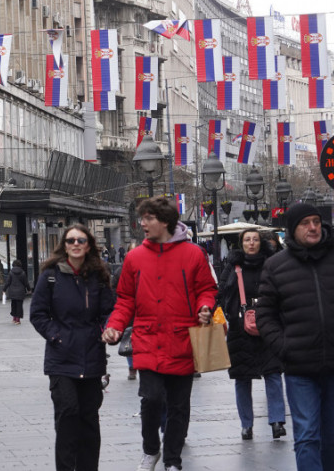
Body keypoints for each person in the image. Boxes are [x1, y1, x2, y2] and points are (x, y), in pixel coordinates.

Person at [256, 203, 334, 471]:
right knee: (307, 435)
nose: (313, 227)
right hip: (300, 369)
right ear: (292, 229)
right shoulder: (276, 266)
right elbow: (265, 315)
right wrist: (284, 348)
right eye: (305, 223)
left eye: (316, 221)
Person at [102, 196, 217, 471]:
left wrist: (205, 307)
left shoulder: (193, 254)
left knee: (179, 406)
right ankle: (151, 449)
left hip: (182, 339)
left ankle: (173, 461)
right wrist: (115, 325)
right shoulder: (134, 257)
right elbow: (125, 299)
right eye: (142, 218)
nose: (142, 223)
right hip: (148, 339)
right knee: (151, 398)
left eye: (148, 218)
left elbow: (207, 289)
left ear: (164, 221)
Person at [31, 224, 114, 471]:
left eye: (80, 240)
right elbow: (37, 314)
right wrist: (56, 336)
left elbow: (109, 311)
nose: (75, 244)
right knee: (68, 414)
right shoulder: (51, 275)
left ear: (88, 245)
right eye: (70, 241)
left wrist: (108, 330)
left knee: (89, 419)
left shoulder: (99, 276)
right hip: (61, 358)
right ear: (64, 246)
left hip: (92, 356)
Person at [216, 229, 286, 441]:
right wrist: (230, 314)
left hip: (269, 327)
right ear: (242, 243)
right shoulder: (233, 265)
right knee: (242, 377)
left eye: (255, 239)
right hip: (240, 329)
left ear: (260, 242)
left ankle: (276, 421)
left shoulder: (272, 263)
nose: (252, 243)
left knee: (273, 374)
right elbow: (222, 292)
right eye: (247, 240)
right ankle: (246, 425)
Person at [4, 259, 31, 325]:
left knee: (13, 305)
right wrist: (29, 289)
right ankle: (18, 320)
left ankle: (14, 318)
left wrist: (4, 289)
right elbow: (26, 283)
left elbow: (8, 282)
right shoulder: (23, 273)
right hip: (20, 292)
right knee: (19, 305)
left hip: (12, 291)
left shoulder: (11, 272)